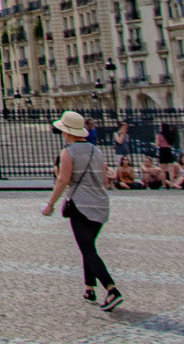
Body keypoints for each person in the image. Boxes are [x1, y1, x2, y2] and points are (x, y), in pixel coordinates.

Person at [42, 111, 122, 312]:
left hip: (80, 205)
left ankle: (111, 289)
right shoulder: (97, 151)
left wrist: (50, 204)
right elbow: (104, 181)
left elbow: (63, 180)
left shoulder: (68, 152)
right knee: (89, 246)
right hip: (101, 205)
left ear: (66, 132)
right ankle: (89, 288)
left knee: (87, 249)